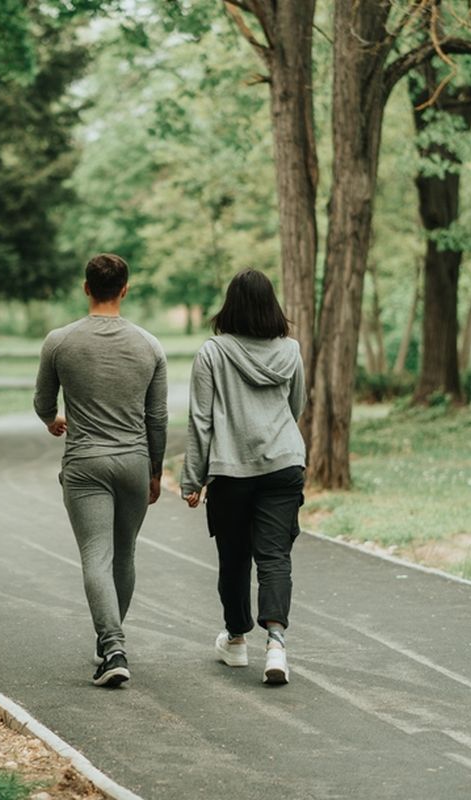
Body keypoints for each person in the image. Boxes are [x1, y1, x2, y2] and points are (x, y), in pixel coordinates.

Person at [34, 253, 168, 688]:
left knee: (96, 554)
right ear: (124, 289)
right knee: (123, 553)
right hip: (133, 460)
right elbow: (158, 417)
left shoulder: (59, 341)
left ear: (86, 287)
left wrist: (54, 420)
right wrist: (154, 470)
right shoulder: (150, 345)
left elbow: (42, 402)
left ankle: (111, 645)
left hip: (85, 463)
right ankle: (111, 642)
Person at [180, 268, 306, 685]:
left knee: (234, 558)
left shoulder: (212, 353)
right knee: (275, 556)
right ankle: (276, 645)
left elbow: (200, 420)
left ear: (230, 305)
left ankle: (235, 640)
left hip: (231, 470)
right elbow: (296, 405)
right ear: (272, 305)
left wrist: (192, 479)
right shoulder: (291, 351)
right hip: (284, 464)